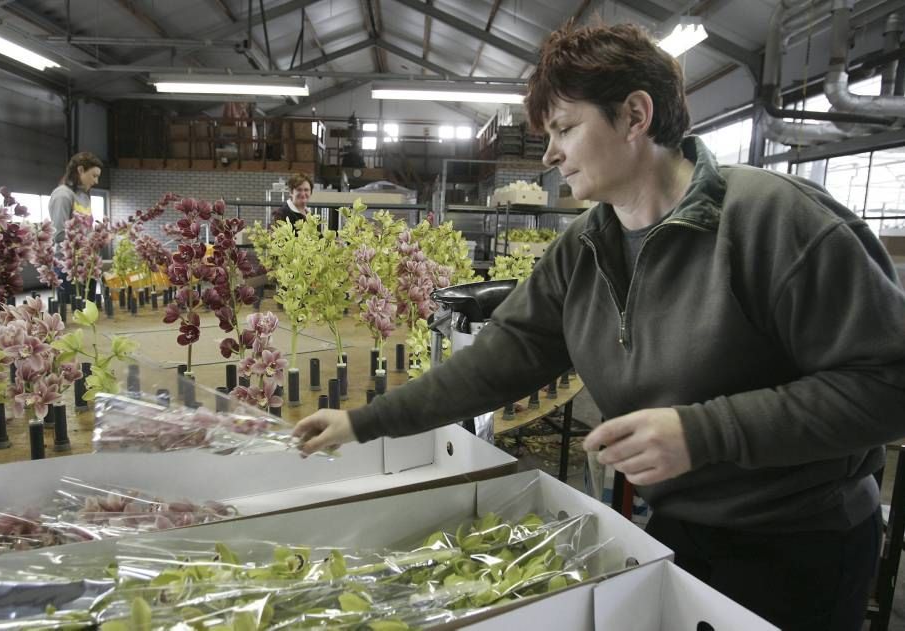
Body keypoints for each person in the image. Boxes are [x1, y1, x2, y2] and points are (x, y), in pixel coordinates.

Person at [293, 21, 905, 631]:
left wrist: (704, 431)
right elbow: (499, 359)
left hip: (800, 547)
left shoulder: (774, 223)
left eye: (564, 128)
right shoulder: (585, 246)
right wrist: (364, 421)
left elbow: (888, 385)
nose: (550, 153)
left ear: (635, 116)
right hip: (679, 534)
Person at [49, 151, 103, 299]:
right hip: (68, 268)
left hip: (87, 266)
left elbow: (87, 230)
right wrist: (86, 243)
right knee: (73, 315)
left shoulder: (84, 196)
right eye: (94, 175)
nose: (96, 181)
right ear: (80, 170)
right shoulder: (62, 195)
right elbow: (59, 234)